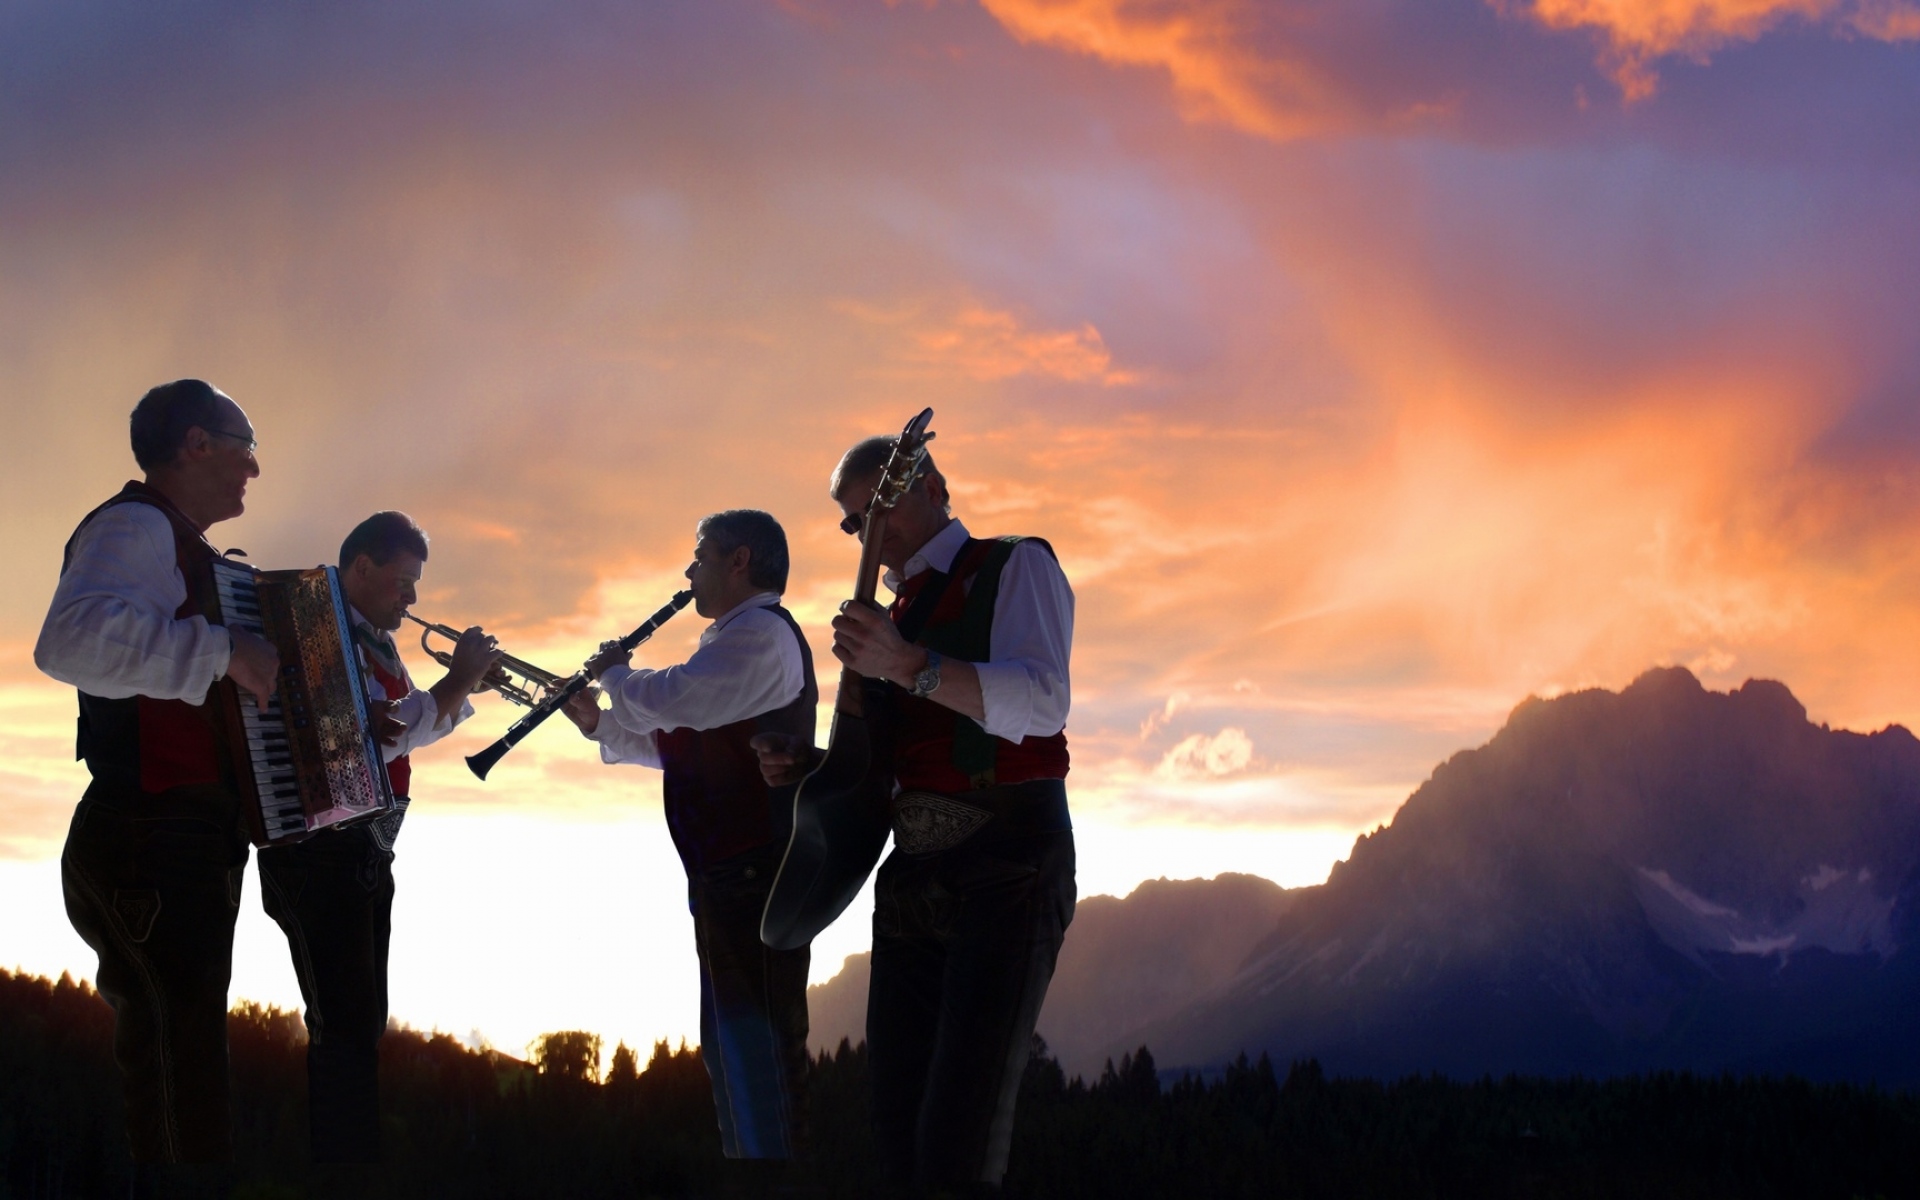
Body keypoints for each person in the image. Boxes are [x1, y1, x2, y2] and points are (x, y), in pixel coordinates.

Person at [756, 437, 1075, 1198]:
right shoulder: (889, 615)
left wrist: (904, 663)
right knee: (897, 1134)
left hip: (1009, 862)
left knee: (960, 1141)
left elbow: (1041, 701)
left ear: (931, 483)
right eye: (853, 521)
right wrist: (811, 768)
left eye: (880, 505)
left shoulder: (1013, 564)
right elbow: (885, 761)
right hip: (910, 875)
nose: (869, 531)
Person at [35, 379, 281, 1162]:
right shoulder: (136, 525)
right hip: (150, 831)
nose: (254, 469)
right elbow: (70, 641)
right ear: (197, 445)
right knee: (181, 1087)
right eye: (246, 447)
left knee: (189, 1079)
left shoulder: (179, 542)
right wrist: (222, 651)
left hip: (182, 834)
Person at [561, 509, 817, 1193]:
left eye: (698, 555)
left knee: (758, 1057)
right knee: (733, 1055)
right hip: (728, 878)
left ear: (739, 561)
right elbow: (682, 742)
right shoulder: (732, 641)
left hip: (754, 875)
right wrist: (600, 725)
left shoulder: (761, 636)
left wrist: (618, 675)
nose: (687, 571)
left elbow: (682, 699)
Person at [255, 510, 501, 1162]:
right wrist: (459, 679)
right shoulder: (317, 622)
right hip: (324, 851)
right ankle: (342, 1167)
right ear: (361, 568)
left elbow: (422, 721)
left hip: (364, 849)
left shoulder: (374, 637)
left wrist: (466, 685)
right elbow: (379, 732)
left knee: (362, 1023)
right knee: (345, 1026)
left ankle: (349, 1160)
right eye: (404, 582)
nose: (413, 599)